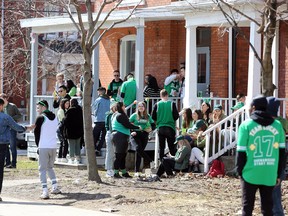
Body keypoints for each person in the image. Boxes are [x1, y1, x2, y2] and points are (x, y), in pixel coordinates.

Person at [236, 96, 286, 215]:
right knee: (267, 208)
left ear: (253, 107)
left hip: (250, 172)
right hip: (270, 172)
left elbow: (241, 152)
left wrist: (239, 171)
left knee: (247, 207)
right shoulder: (278, 125)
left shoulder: (246, 125)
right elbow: (282, 153)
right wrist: (279, 173)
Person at [0, 98, 29, 202]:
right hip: (2, 145)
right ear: (1, 106)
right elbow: (16, 127)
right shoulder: (5, 117)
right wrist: (26, 128)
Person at [34, 100, 61, 199]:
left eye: (38, 107)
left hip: (43, 146)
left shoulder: (40, 118)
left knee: (42, 169)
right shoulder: (55, 117)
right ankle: (55, 186)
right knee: (50, 167)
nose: (37, 109)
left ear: (43, 107)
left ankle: (45, 191)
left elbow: (36, 134)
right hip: (53, 146)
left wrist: (38, 146)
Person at [266, 97, 288, 216]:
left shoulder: (279, 123)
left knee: (274, 192)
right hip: (272, 159)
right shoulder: (279, 122)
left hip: (275, 159)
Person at [111, 102, 140, 178]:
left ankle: (124, 172)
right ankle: (116, 173)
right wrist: (138, 127)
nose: (125, 107)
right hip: (120, 136)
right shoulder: (120, 115)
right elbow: (127, 125)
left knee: (123, 155)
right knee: (119, 155)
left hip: (120, 135)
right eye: (124, 106)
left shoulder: (115, 114)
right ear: (121, 107)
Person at [129, 101, 156, 176]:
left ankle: (136, 171)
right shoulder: (134, 115)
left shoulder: (147, 116)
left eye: (142, 106)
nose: (141, 107)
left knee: (139, 153)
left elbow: (153, 125)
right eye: (139, 106)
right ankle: (150, 160)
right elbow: (128, 124)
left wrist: (150, 129)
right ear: (137, 107)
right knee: (138, 148)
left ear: (145, 108)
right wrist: (131, 131)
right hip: (135, 134)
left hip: (144, 135)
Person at [152, 89, 179, 159]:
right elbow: (176, 116)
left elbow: (153, 116)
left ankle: (162, 162)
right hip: (170, 127)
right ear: (167, 95)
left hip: (160, 127)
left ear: (160, 96)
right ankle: (174, 164)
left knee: (161, 147)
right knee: (171, 147)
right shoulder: (172, 104)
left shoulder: (157, 104)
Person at [0, 93, 22, 169]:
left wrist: (11, 119)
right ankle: (7, 163)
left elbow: (19, 115)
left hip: (12, 129)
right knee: (5, 146)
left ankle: (14, 163)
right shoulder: (2, 108)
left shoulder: (12, 106)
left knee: (12, 146)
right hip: (5, 130)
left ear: (6, 98)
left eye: (2, 98)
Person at [62, 99, 84, 164]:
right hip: (79, 130)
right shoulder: (80, 110)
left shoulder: (70, 111)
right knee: (77, 145)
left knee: (71, 145)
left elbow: (65, 121)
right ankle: (78, 158)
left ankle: (71, 159)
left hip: (71, 131)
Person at [92, 87, 110, 156]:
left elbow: (95, 109)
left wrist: (94, 114)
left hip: (99, 120)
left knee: (95, 135)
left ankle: (94, 148)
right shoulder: (109, 100)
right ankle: (98, 149)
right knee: (103, 136)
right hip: (106, 120)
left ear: (100, 92)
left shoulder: (98, 100)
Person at [104, 99, 117, 177]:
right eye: (115, 107)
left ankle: (113, 168)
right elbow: (107, 126)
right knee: (110, 152)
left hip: (115, 134)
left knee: (114, 153)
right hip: (110, 133)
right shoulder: (109, 115)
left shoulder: (117, 114)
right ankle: (109, 169)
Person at [56, 98, 70, 163]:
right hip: (61, 128)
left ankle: (59, 157)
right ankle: (63, 157)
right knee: (65, 142)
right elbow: (63, 120)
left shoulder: (65, 110)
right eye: (66, 103)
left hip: (62, 128)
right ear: (63, 104)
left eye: (68, 103)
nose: (68, 104)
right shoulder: (61, 111)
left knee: (62, 143)